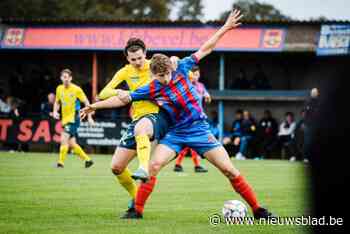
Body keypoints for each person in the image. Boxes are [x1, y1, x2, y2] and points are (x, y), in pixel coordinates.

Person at [81, 9, 273, 220]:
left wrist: (225, 28)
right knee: (152, 166)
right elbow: (124, 98)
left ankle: (258, 209)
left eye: (166, 75)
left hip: (199, 129)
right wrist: (95, 106)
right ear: (153, 74)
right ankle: (137, 211)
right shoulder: (152, 87)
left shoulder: (181, 66)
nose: (165, 79)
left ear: (171, 68)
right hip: (175, 133)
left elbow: (206, 48)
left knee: (229, 170)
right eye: (160, 76)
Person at [97, 38, 172, 216]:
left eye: (139, 58)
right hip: (137, 118)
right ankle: (136, 197)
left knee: (146, 151)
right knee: (116, 167)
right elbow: (103, 93)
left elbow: (176, 71)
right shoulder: (125, 72)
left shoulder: (155, 66)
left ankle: (141, 182)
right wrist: (120, 92)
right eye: (133, 59)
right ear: (128, 59)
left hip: (156, 117)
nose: (137, 62)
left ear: (145, 54)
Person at [53, 69, 94, 168]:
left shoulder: (76, 89)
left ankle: (60, 163)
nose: (65, 79)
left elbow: (86, 102)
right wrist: (55, 111)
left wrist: (89, 117)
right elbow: (57, 102)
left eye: (67, 77)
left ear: (71, 78)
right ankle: (87, 160)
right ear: (61, 78)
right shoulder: (59, 89)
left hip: (74, 118)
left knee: (64, 139)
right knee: (72, 143)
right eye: (64, 77)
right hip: (65, 119)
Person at [173, 65, 210, 173]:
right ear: (190, 75)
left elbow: (206, 94)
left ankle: (179, 164)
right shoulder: (186, 85)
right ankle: (195, 165)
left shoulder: (201, 86)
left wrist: (207, 96)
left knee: (190, 141)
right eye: (194, 74)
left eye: (198, 74)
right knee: (192, 140)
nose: (196, 77)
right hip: (187, 117)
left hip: (198, 117)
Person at [303, 88, 320, 162]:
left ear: (317, 94)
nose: (314, 94)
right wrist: (305, 123)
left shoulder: (320, 102)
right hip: (309, 126)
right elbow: (306, 115)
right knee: (307, 142)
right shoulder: (308, 102)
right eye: (313, 93)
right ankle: (306, 157)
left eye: (315, 93)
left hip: (317, 126)